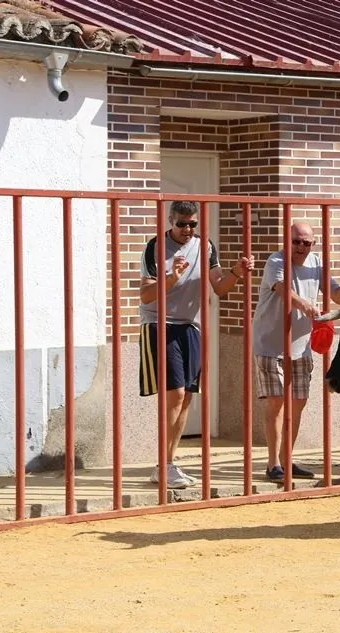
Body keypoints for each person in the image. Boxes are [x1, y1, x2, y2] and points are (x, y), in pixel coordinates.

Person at [138, 200, 254, 489]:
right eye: (182, 224)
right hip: (160, 324)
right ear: (170, 221)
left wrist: (236, 272)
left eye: (192, 224)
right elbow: (146, 295)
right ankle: (163, 465)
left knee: (187, 396)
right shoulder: (155, 247)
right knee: (175, 394)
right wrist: (171, 279)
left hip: (191, 326)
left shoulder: (206, 246)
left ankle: (168, 464)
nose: (187, 229)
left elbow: (219, 287)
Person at [253, 222, 340, 483]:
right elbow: (283, 290)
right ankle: (273, 464)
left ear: (313, 244)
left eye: (306, 243)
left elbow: (338, 296)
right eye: (296, 241)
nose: (301, 247)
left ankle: (286, 460)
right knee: (276, 402)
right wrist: (306, 305)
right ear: (287, 240)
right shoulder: (276, 261)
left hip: (301, 347)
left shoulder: (316, 263)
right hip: (270, 345)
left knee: (297, 404)